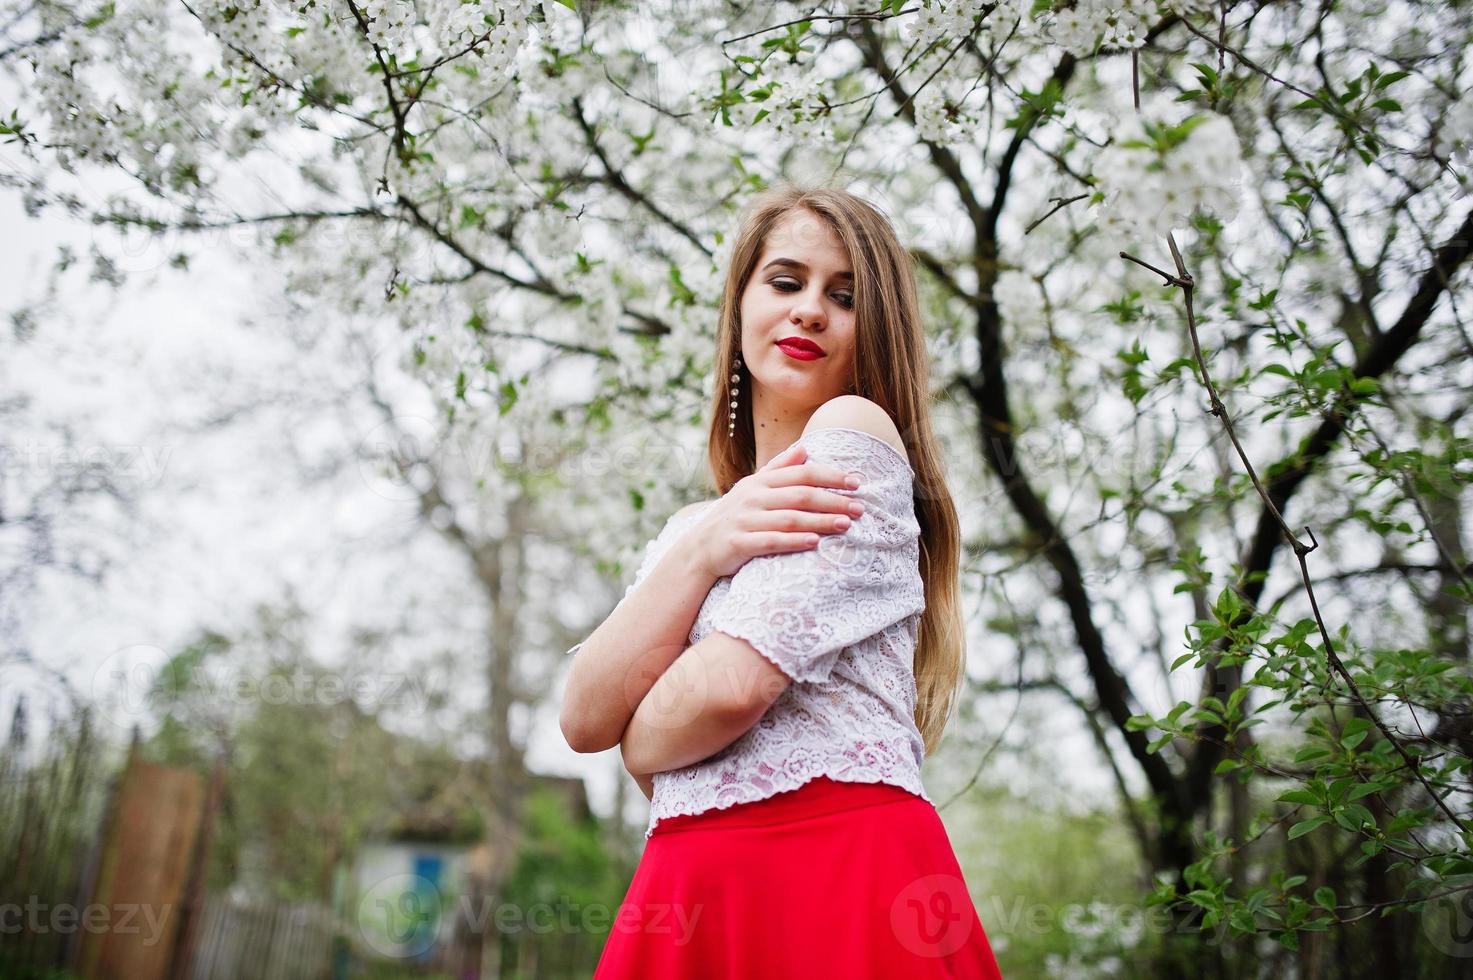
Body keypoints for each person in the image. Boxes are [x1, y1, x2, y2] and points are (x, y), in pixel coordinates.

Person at [561, 184, 1003, 979]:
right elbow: (584, 717)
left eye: (844, 296)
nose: (809, 311)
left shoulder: (852, 437)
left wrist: (643, 740)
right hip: (691, 887)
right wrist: (700, 552)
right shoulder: (689, 531)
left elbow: (727, 689)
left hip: (836, 869)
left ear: (877, 335)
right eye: (785, 281)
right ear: (739, 307)